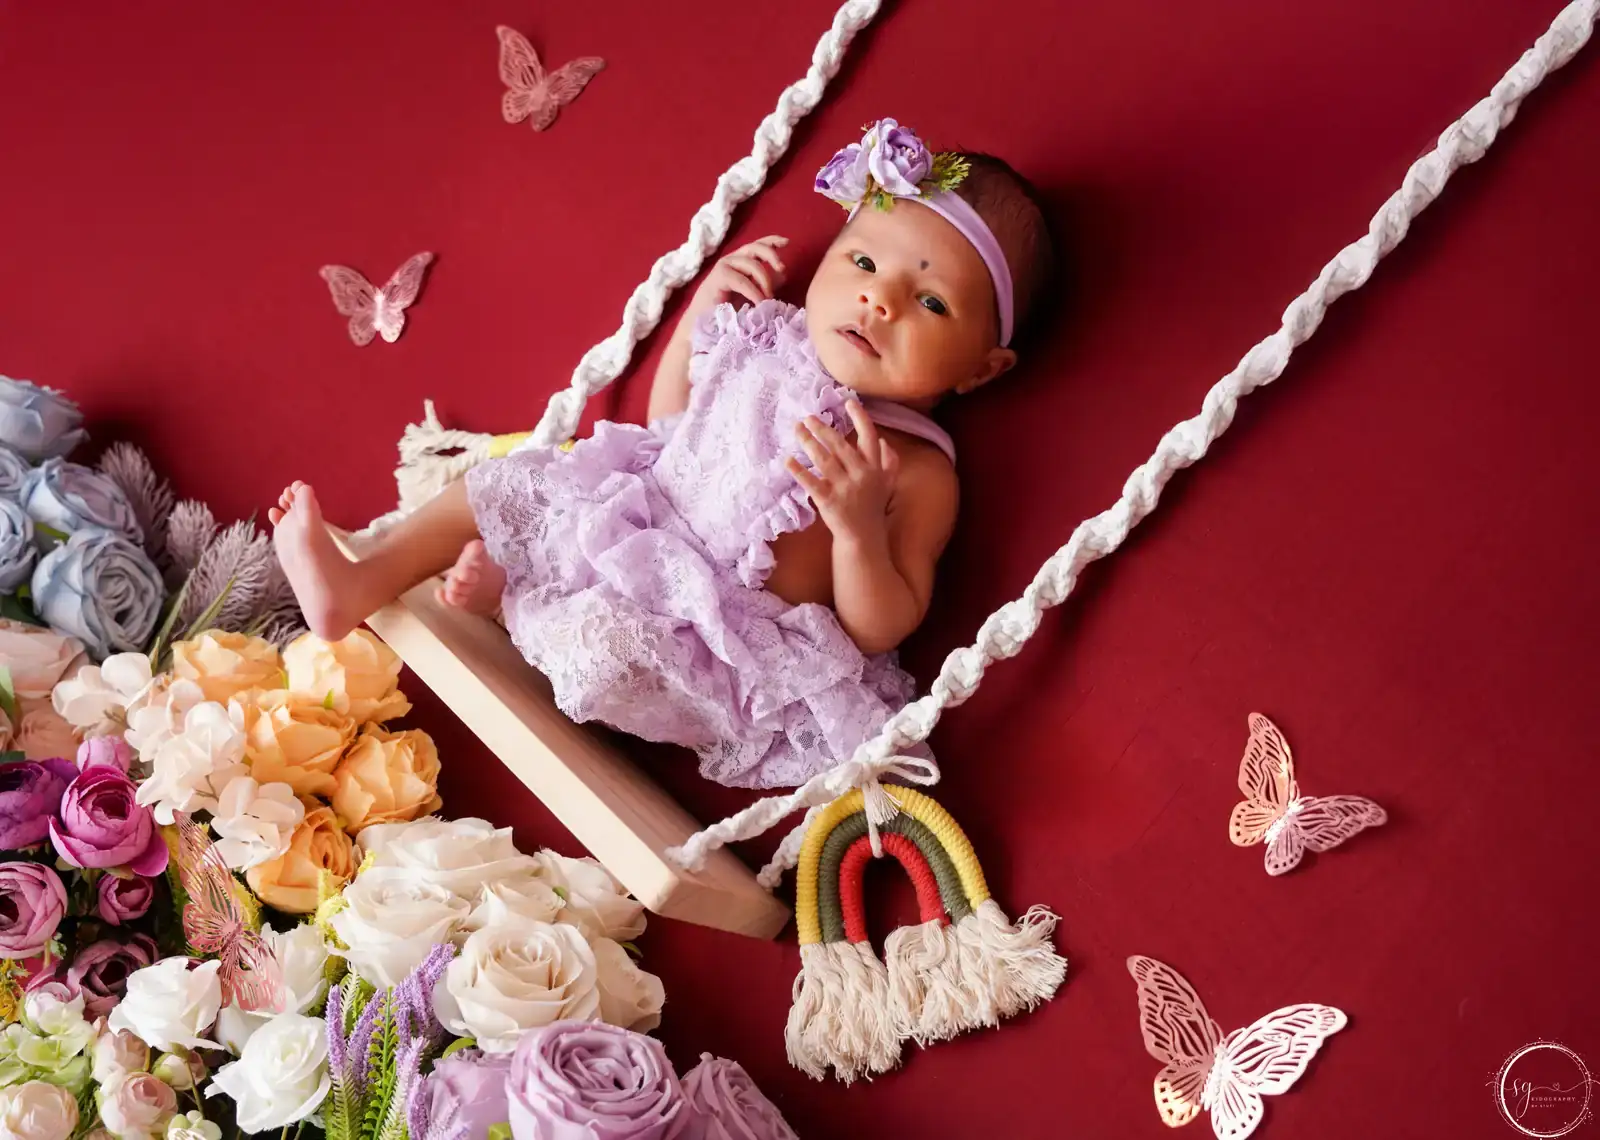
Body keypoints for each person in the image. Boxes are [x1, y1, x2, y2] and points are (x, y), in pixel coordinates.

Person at [270, 119, 1054, 788]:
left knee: (616, 648)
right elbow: (670, 424)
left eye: (933, 303)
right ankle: (363, 576)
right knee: (504, 485)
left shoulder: (916, 469)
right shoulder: (765, 339)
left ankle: (515, 607)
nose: (880, 300)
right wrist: (699, 316)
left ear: (983, 367)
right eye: (862, 263)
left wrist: (856, 533)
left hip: (717, 636)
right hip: (641, 515)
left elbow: (884, 625)